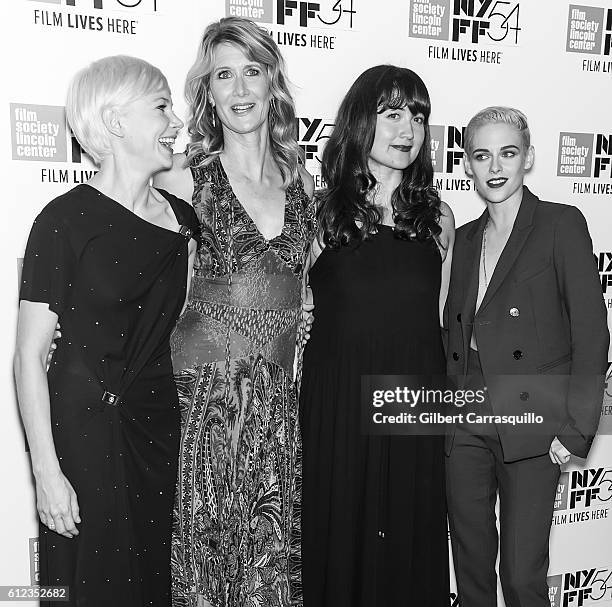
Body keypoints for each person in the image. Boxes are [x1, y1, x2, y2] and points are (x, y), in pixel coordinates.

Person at [14, 56, 198, 607]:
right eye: (162, 107)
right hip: (81, 432)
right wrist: (46, 472)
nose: (176, 122)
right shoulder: (63, 220)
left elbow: (183, 325)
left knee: (151, 583)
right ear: (115, 122)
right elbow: (28, 356)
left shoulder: (184, 223)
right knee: (84, 584)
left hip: (158, 425)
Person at [153, 16, 314, 607]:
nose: (241, 89)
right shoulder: (183, 177)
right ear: (207, 90)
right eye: (225, 75)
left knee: (269, 574)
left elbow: (310, 287)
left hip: (277, 410)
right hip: (205, 408)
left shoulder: (302, 180)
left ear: (273, 83)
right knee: (205, 571)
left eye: (253, 72)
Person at [299, 65, 454, 607]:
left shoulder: (439, 217)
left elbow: (438, 318)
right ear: (361, 122)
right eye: (392, 114)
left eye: (417, 116)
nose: (407, 128)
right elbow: (298, 312)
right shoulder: (320, 213)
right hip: (340, 398)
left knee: (407, 534)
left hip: (413, 398)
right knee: (342, 529)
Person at [444, 106, 608, 607]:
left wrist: (577, 428)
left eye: (508, 153)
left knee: (520, 578)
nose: (495, 166)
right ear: (467, 165)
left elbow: (592, 334)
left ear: (528, 158)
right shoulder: (464, 239)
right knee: (471, 575)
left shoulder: (561, 224)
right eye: (482, 155)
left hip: (533, 423)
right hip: (465, 417)